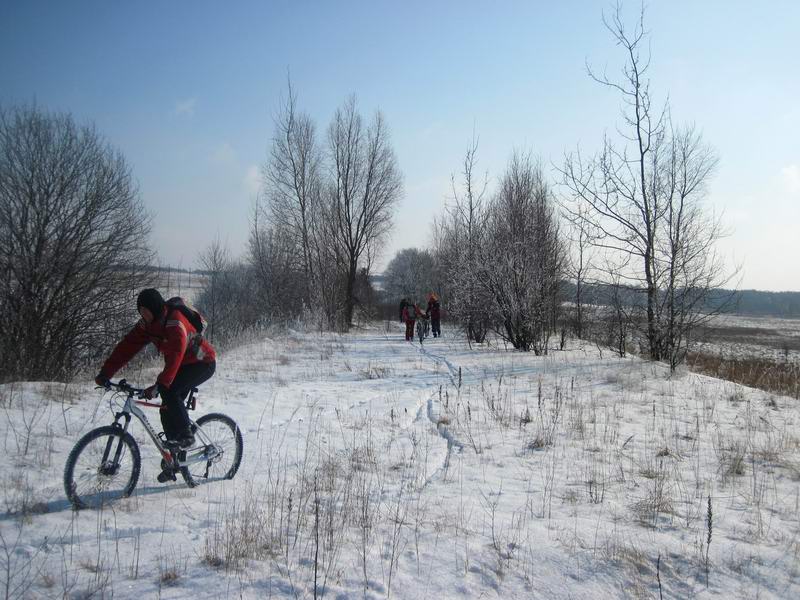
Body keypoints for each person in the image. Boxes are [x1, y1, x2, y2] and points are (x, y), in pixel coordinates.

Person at [94, 289, 216, 451]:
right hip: (181, 365)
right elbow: (126, 348)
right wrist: (105, 373)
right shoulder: (147, 325)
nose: (143, 315)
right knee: (166, 409)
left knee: (169, 390)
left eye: (146, 311)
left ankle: (187, 437)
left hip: (202, 362)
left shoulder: (175, 323)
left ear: (155, 308)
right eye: (140, 311)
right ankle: (174, 457)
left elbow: (176, 354)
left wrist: (161, 384)